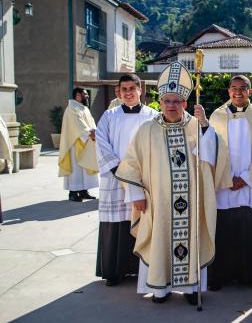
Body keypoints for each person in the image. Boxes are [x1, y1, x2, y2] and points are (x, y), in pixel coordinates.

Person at [116, 62, 227, 305]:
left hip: (191, 202)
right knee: (160, 239)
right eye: (167, 100)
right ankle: (160, 289)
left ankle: (190, 289)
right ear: (160, 102)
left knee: (191, 239)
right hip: (158, 200)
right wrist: (136, 194)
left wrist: (205, 125)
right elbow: (132, 163)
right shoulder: (147, 129)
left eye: (177, 101)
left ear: (185, 103)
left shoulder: (196, 126)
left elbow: (212, 156)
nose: (171, 106)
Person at [207, 75, 252, 292]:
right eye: (234, 88)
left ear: (249, 91)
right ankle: (221, 276)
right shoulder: (217, 117)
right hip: (225, 183)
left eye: (243, 88)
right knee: (225, 231)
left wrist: (245, 178)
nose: (238, 92)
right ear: (228, 91)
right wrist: (227, 177)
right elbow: (210, 150)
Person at [95, 74, 158, 286]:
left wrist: (140, 173)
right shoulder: (109, 116)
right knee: (116, 224)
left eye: (133, 88)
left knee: (143, 223)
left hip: (142, 179)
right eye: (124, 89)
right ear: (118, 92)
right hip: (114, 177)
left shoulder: (153, 116)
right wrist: (116, 168)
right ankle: (114, 272)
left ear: (141, 90)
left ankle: (140, 269)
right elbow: (101, 142)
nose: (129, 92)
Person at [58, 87, 99, 202]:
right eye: (85, 94)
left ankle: (83, 191)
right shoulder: (72, 108)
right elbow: (79, 125)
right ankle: (73, 193)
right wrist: (90, 133)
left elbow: (91, 122)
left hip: (86, 142)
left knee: (84, 169)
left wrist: (94, 132)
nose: (87, 96)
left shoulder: (83, 108)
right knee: (76, 170)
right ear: (77, 95)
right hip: (75, 144)